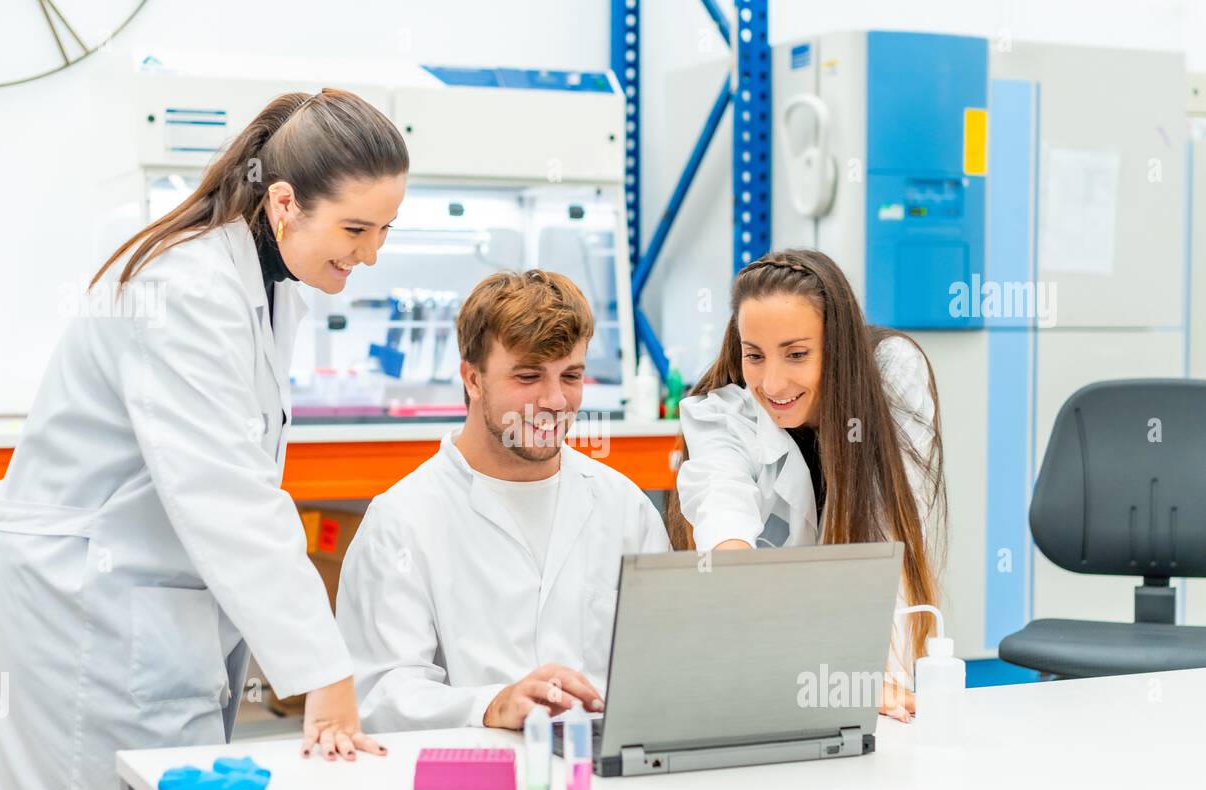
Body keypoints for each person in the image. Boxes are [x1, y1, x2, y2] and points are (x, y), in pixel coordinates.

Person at [0, 89, 407, 790]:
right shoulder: (187, 292)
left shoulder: (262, 284)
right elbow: (230, 499)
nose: (369, 255)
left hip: (142, 598)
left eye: (385, 232)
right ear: (287, 203)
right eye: (355, 230)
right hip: (89, 609)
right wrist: (326, 676)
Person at [338, 269, 669, 732]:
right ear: (472, 379)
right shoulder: (402, 521)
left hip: (598, 778)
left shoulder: (625, 509)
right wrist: (492, 705)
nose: (555, 400)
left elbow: (664, 666)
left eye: (571, 376)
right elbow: (379, 695)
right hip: (468, 782)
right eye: (529, 376)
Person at [667, 249, 945, 720]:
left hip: (877, 645)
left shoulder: (890, 374)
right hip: (767, 657)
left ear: (836, 346)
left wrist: (865, 674)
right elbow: (722, 514)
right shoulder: (723, 415)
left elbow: (887, 542)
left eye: (797, 354)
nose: (772, 383)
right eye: (753, 356)